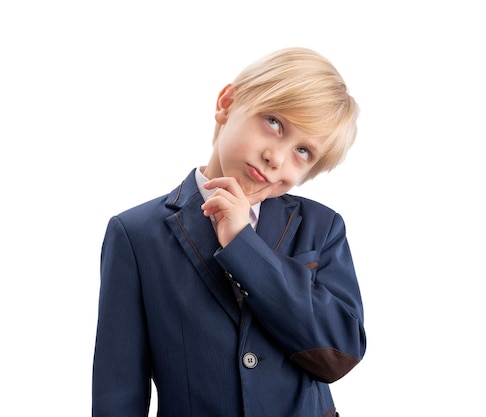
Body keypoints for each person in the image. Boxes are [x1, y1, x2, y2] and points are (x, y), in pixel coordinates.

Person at [92, 47, 366, 417]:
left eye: (303, 151)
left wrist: (244, 245)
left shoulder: (322, 227)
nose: (276, 157)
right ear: (227, 103)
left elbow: (339, 354)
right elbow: (118, 389)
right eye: (274, 122)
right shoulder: (136, 234)